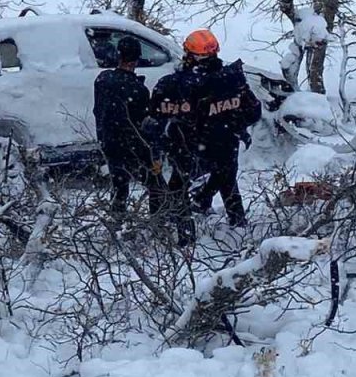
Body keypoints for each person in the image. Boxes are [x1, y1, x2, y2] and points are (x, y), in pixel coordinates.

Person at [149, 29, 261, 239]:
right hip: (226, 144)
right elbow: (253, 112)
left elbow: (156, 114)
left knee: (178, 187)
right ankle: (238, 226)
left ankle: (185, 235)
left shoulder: (174, 83)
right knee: (227, 181)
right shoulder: (233, 79)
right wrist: (234, 124)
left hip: (188, 146)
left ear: (189, 54)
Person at [93, 37, 163, 217]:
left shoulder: (102, 79)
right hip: (132, 148)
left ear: (118, 55)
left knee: (120, 188)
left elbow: (99, 111)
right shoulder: (137, 90)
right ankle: (159, 224)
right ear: (137, 59)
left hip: (109, 143)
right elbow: (143, 126)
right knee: (157, 186)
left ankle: (117, 224)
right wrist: (152, 155)